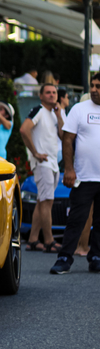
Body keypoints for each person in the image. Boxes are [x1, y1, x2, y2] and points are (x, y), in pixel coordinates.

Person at [50, 74, 100, 274]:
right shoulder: (80, 109)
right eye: (93, 86)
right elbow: (67, 140)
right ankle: (64, 258)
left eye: (99, 86)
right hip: (83, 177)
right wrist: (69, 169)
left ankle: (96, 257)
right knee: (76, 220)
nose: (95, 89)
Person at [20, 84, 64, 254]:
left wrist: (59, 115)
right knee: (47, 201)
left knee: (42, 201)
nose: (52, 95)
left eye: (54, 92)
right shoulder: (38, 110)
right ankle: (49, 241)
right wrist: (35, 153)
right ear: (41, 96)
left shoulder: (54, 113)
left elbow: (62, 135)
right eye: (48, 92)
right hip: (43, 163)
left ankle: (32, 240)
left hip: (52, 163)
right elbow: (24, 129)